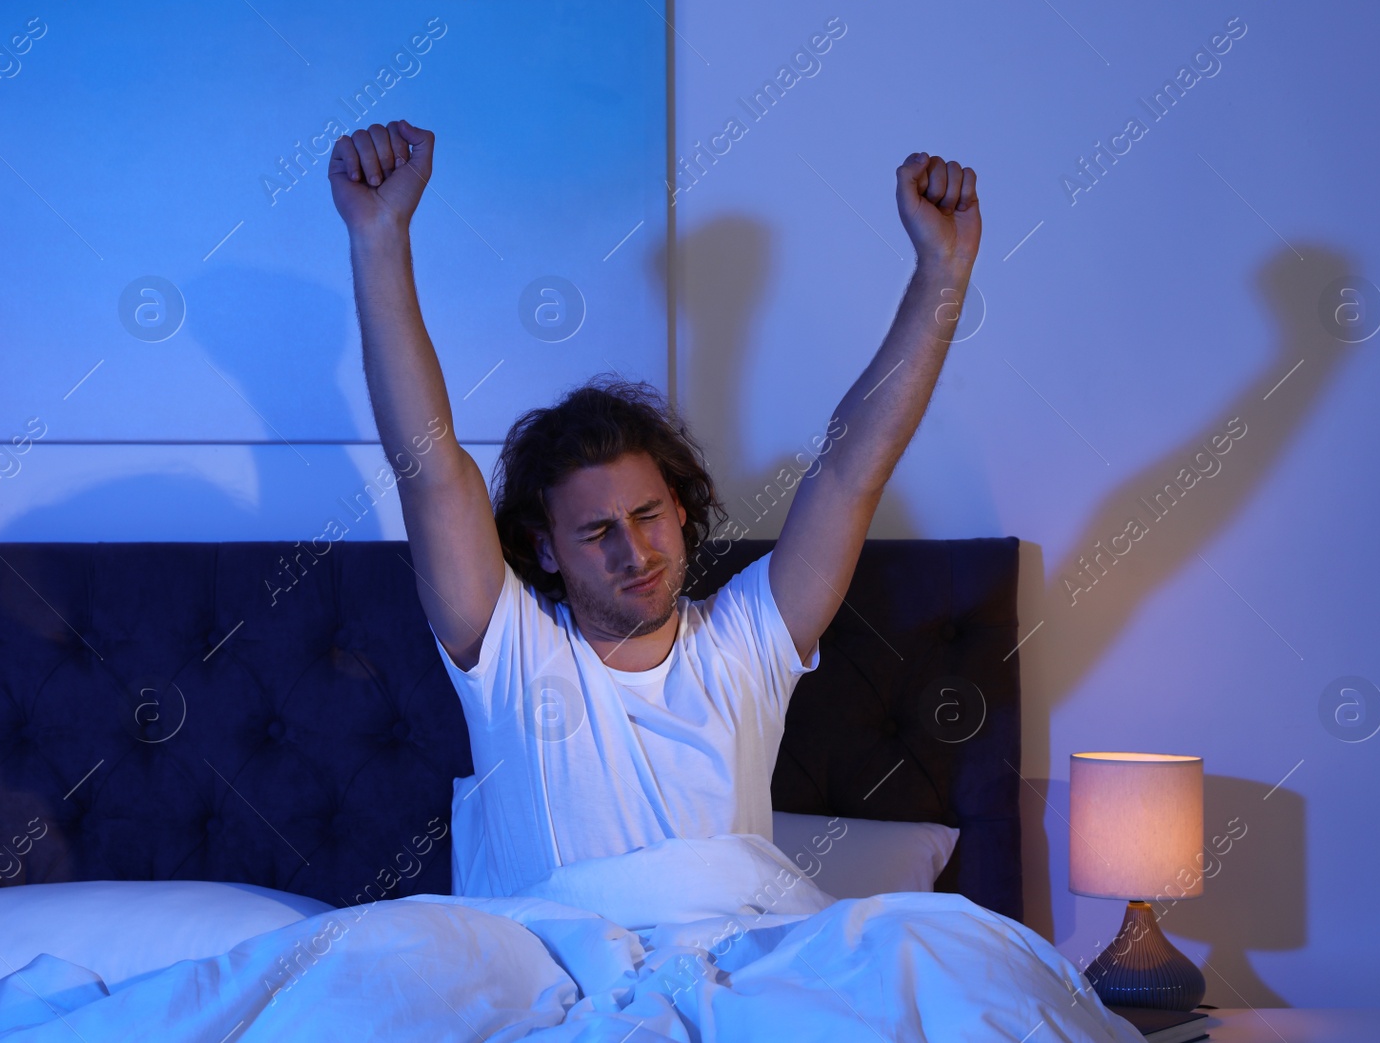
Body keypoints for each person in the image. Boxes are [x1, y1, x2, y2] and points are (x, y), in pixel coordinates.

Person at [329, 120, 981, 896]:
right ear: (544, 549)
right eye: (597, 531)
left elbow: (849, 472)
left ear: (679, 507)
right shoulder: (511, 655)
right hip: (559, 987)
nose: (633, 551)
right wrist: (379, 240)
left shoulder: (746, 641)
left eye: (646, 515)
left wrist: (942, 274)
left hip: (736, 974)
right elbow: (431, 469)